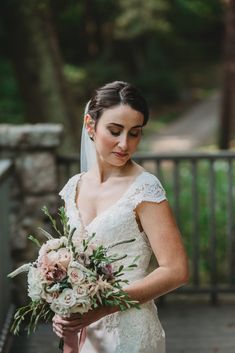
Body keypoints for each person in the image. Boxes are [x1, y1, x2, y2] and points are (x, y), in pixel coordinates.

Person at [52, 81, 189, 353]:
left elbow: (176, 271)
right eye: (115, 131)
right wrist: (63, 308)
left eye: (134, 133)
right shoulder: (73, 188)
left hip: (129, 333)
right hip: (83, 332)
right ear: (90, 125)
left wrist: (105, 306)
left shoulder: (144, 189)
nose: (125, 144)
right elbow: (72, 265)